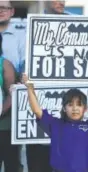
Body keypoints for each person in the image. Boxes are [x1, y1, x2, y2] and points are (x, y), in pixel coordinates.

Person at [22, 72, 88, 172]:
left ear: (85, 109)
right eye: (70, 105)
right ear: (64, 108)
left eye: (79, 104)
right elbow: (36, 110)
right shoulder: (55, 125)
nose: (75, 108)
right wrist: (29, 88)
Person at [26, 1, 69, 172]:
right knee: (39, 164)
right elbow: (25, 64)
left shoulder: (75, 23)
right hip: (41, 110)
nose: (62, 2)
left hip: (67, 114)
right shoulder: (33, 26)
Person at [0, 1, 25, 172]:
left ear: (12, 11)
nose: (1, 11)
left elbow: (25, 69)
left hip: (10, 106)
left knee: (12, 161)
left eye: (4, 8)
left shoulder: (21, 37)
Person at [0, 41, 19, 172]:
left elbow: (12, 95)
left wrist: (0, 111)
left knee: (11, 165)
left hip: (4, 128)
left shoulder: (4, 65)